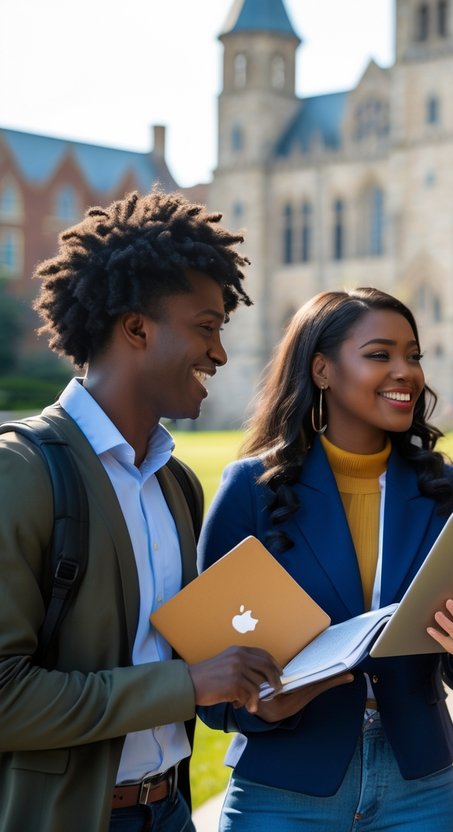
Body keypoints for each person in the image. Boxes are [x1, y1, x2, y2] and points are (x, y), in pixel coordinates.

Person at [0, 190, 283, 832]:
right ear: (136, 328)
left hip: (170, 810)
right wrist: (191, 685)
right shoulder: (21, 473)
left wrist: (263, 681)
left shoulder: (176, 484)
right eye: (206, 327)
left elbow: (192, 664)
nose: (220, 354)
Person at [197, 287, 453, 831]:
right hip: (285, 785)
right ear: (322, 369)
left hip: (419, 788)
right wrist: (258, 706)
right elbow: (202, 662)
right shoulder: (251, 491)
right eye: (380, 354)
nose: (405, 371)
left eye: (413, 355)